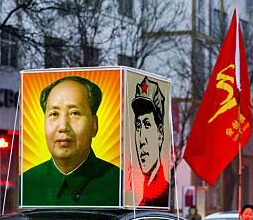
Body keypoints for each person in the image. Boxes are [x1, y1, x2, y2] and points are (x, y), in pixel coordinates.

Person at [22, 76, 120, 206]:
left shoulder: (119, 184)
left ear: (94, 125)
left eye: (75, 113)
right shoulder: (26, 184)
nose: (63, 127)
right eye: (54, 114)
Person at [132, 76, 169, 206]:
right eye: (138, 126)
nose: (141, 140)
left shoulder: (161, 196)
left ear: (160, 134)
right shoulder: (141, 200)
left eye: (147, 125)